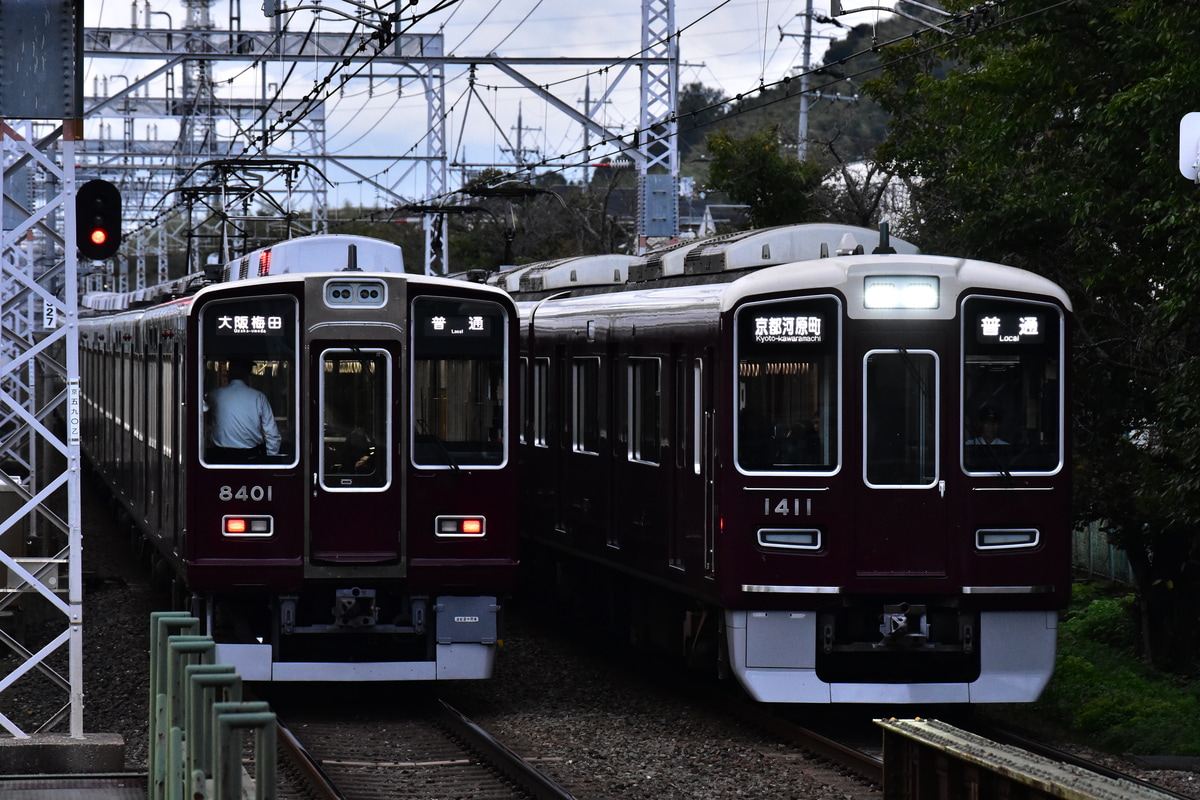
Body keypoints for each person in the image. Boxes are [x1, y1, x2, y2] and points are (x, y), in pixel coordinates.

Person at [208, 358, 281, 461]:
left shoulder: (215, 394)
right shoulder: (259, 397)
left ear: (228, 374)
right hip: (250, 457)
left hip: (220, 457)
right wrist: (271, 458)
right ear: (248, 375)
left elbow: (202, 415)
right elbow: (272, 434)